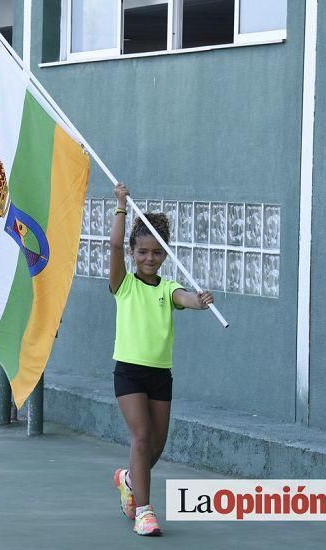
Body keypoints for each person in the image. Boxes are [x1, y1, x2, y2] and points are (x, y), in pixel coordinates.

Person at [109, 183, 214, 536]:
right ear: (133, 253)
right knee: (140, 438)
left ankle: (128, 479)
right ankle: (144, 512)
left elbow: (188, 299)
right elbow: (112, 246)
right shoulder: (124, 285)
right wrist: (121, 206)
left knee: (155, 447)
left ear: (165, 255)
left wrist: (202, 300)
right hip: (129, 374)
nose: (149, 258)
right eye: (142, 252)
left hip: (160, 376)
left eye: (156, 253)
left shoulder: (168, 289)